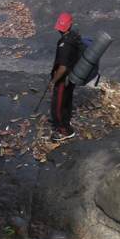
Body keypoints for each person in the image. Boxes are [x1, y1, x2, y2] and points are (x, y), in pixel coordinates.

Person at [50, 12, 82, 142]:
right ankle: (66, 122)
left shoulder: (65, 44)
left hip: (63, 79)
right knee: (66, 102)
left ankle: (64, 130)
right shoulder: (74, 37)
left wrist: (53, 81)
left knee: (58, 105)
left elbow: (62, 67)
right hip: (72, 76)